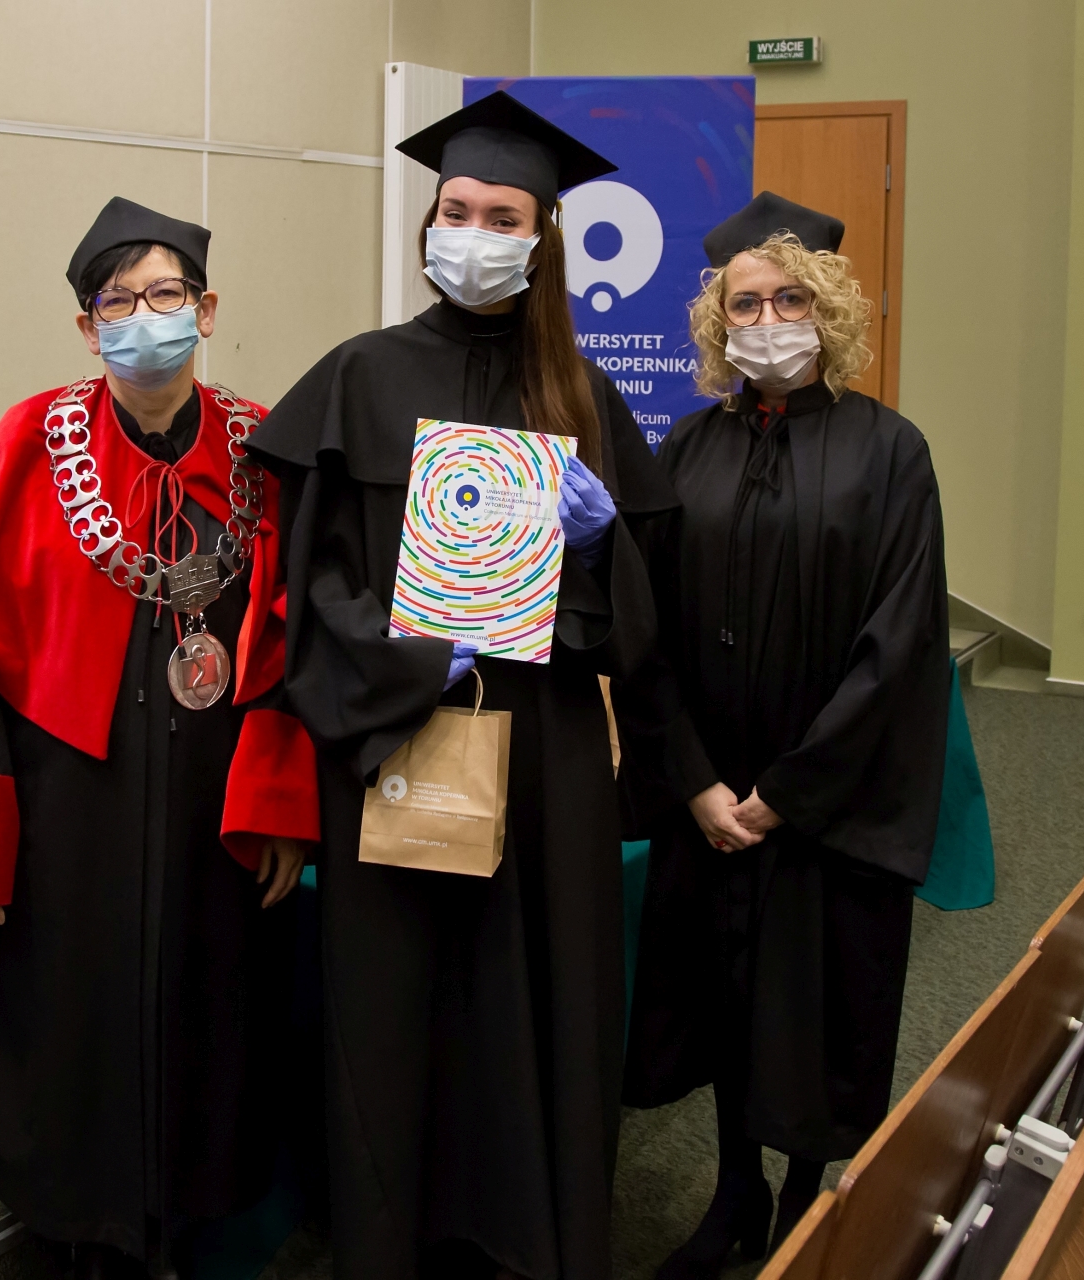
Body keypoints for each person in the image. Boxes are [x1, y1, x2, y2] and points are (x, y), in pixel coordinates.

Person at [249, 91, 677, 1280]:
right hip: (400, 744)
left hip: (544, 753)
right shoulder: (358, 376)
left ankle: (533, 1236)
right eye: (456, 210)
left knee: (540, 993)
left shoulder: (581, 395)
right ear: (428, 223)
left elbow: (641, 629)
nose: (474, 234)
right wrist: (403, 657)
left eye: (502, 217)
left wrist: (600, 547)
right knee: (395, 1006)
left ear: (541, 239)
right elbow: (305, 588)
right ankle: (390, 1240)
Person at [0, 197, 320, 1280]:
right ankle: (75, 1222)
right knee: (66, 1009)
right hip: (65, 803)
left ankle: (193, 1214)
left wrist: (281, 809)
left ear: (205, 309)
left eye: (166, 294)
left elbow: (291, 642)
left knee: (216, 1005)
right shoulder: (33, 444)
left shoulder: (266, 449)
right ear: (87, 327)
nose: (143, 317)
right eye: (116, 302)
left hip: (214, 801)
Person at [614, 192, 951, 1278]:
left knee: (814, 1009)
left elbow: (899, 644)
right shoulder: (688, 445)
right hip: (712, 793)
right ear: (719, 321)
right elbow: (646, 627)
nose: (768, 321)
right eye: (746, 303)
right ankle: (736, 1192)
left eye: (790, 299)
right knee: (722, 998)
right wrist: (697, 782)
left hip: (823, 803)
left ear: (830, 308)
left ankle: (806, 1196)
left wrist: (788, 794)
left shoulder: (890, 452)